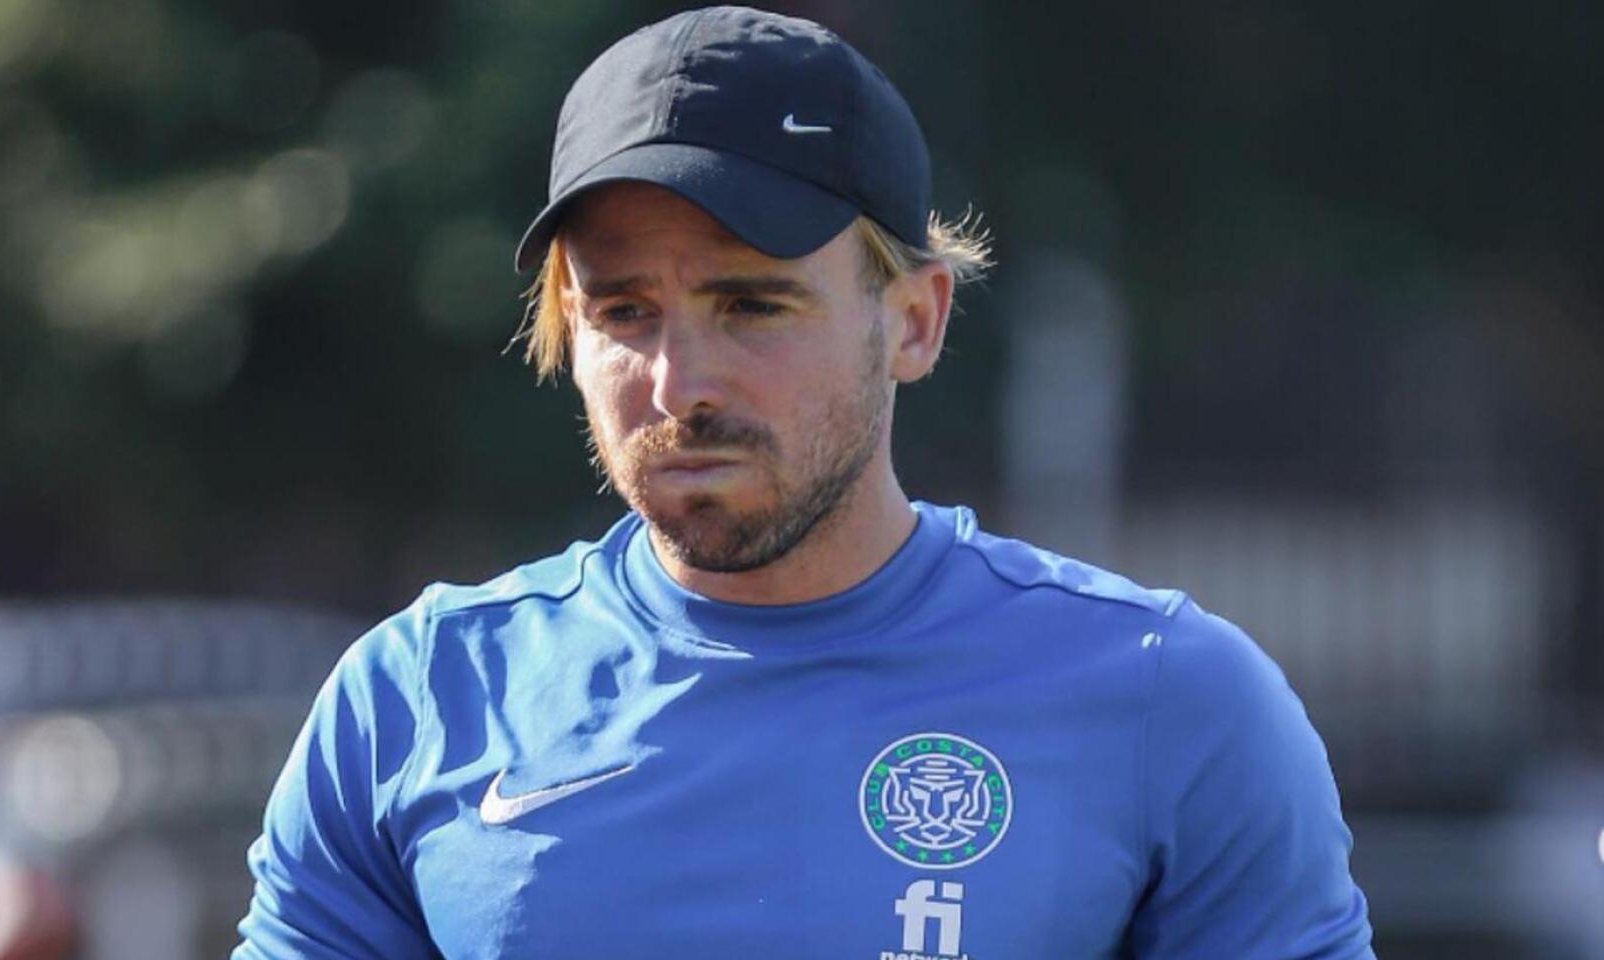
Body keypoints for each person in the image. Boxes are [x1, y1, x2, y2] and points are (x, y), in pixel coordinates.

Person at [234, 6, 1374, 958]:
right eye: (624, 312)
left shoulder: (1167, 703)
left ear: (914, 320)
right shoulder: (416, 700)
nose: (679, 382)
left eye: (751, 304)